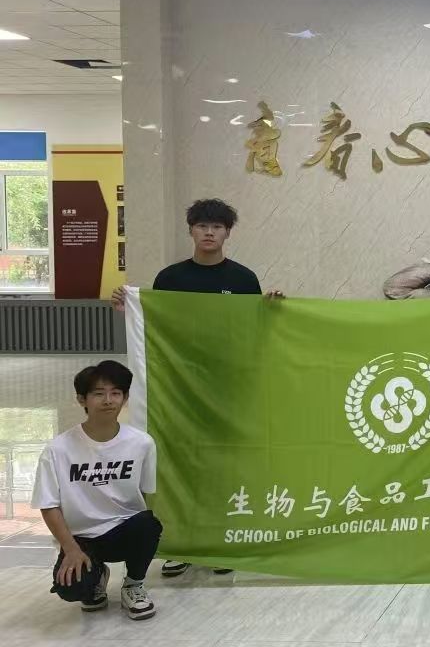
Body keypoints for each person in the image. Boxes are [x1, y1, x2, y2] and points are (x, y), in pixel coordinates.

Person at [111, 198, 277, 578]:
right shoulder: (170, 279)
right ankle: (181, 542)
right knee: (181, 461)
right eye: (202, 225)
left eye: (216, 227)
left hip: (227, 387)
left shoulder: (243, 280)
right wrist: (130, 306)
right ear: (191, 231)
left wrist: (272, 308)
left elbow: (255, 331)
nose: (209, 232)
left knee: (223, 464)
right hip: (179, 388)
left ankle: (220, 542)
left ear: (227, 233)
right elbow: (155, 326)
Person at [31, 361, 162, 620]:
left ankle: (133, 585)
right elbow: (48, 504)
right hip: (82, 538)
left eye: (116, 393)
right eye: (99, 393)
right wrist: (70, 549)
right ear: (82, 399)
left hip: (122, 529)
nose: (108, 400)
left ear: (125, 398)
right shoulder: (58, 449)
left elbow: (144, 494)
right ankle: (97, 575)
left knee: (148, 525)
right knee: (72, 589)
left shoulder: (142, 443)